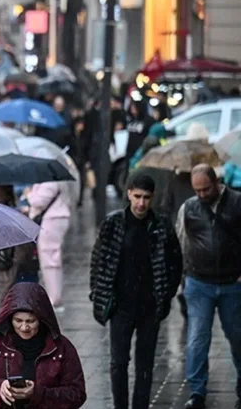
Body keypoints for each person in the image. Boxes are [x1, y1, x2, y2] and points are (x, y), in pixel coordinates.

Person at [89, 173, 182, 409]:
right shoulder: (113, 224)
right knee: (118, 363)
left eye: (147, 197)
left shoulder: (161, 226)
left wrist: (166, 293)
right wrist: (97, 293)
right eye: (137, 196)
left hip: (150, 306)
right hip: (121, 305)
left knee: (145, 364)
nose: (141, 203)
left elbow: (175, 262)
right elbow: (98, 260)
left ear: (152, 198)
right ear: (128, 193)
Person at [176, 164, 241, 409]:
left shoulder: (237, 202)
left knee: (237, 336)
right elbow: (181, 241)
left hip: (232, 282)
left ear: (216, 183)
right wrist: (183, 277)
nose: (202, 195)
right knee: (197, 338)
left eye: (205, 189)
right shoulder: (189, 208)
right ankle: (197, 390)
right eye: (197, 190)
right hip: (199, 281)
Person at [0, 282, 87, 409]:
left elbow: (77, 394)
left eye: (30, 321)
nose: (24, 328)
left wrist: (39, 394)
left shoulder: (61, 347)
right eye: (18, 321)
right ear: (10, 319)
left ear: (41, 320)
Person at [26, 181, 72, 312]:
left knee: (49, 260)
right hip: (54, 219)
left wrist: (29, 194)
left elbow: (39, 201)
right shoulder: (54, 180)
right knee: (51, 259)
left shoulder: (50, 181)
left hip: (52, 221)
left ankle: (54, 299)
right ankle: (53, 297)